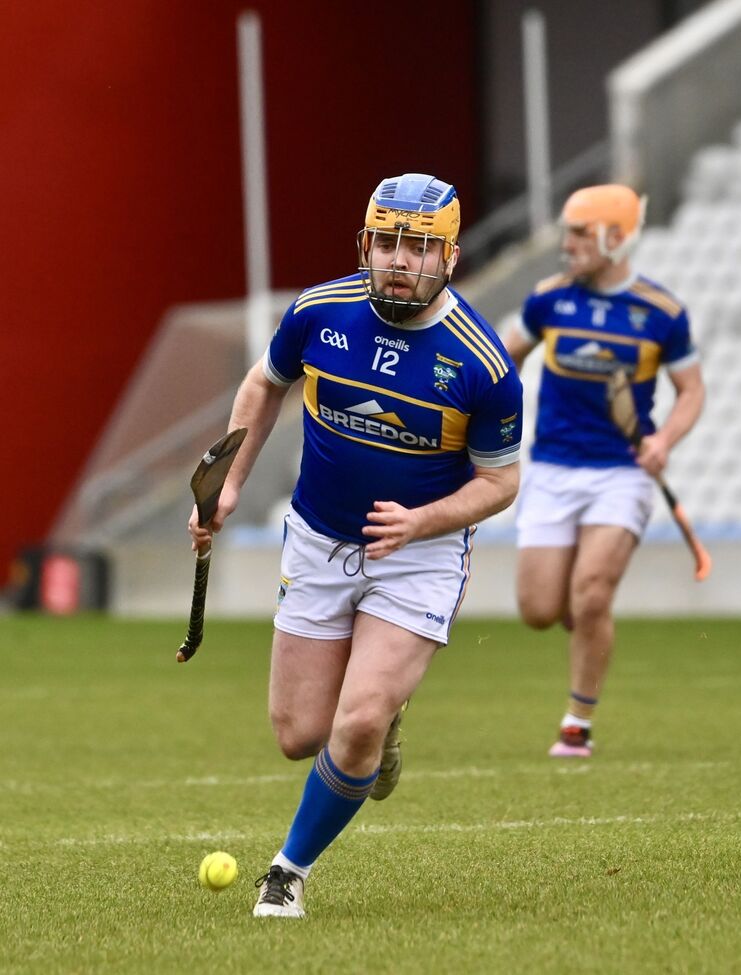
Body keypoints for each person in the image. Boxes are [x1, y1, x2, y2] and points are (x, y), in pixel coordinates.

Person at [188, 174, 523, 917]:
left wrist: (422, 521)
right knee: (300, 733)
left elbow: (501, 484)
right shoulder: (319, 311)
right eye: (389, 242)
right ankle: (379, 720)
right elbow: (263, 383)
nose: (401, 260)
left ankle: (287, 871)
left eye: (420, 247)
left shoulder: (483, 363)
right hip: (317, 539)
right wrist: (233, 481)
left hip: (420, 555)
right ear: (365, 244)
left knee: (358, 719)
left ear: (451, 258)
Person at [502, 184, 704, 757]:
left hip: (622, 472)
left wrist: (665, 438)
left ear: (616, 238)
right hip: (552, 468)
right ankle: (584, 622)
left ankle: (577, 722)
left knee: (591, 594)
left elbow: (691, 391)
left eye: (578, 233)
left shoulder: (661, 313)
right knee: (541, 610)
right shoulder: (548, 300)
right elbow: (499, 362)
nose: (566, 245)